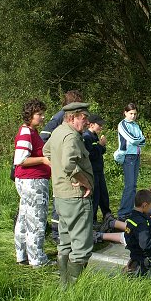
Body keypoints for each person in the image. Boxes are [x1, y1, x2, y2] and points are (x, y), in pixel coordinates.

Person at [43, 102, 94, 285]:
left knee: (64, 243)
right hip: (75, 197)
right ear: (72, 117)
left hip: (61, 196)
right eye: (84, 117)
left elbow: (46, 151)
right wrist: (84, 181)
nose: (87, 121)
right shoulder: (71, 136)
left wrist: (59, 172)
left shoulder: (58, 131)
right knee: (81, 247)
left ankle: (64, 286)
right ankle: (74, 290)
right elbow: (68, 165)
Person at [40, 90, 83, 244]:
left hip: (65, 163)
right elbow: (44, 137)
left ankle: (63, 231)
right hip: (62, 166)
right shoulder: (60, 117)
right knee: (61, 196)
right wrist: (56, 158)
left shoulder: (65, 117)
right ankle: (57, 233)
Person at [13, 99, 52, 267]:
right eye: (39, 114)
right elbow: (20, 159)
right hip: (32, 182)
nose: (42, 117)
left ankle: (22, 255)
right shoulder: (26, 133)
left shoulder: (31, 131)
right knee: (36, 220)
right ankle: (37, 259)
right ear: (29, 115)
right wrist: (44, 159)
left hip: (30, 180)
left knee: (23, 218)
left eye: (42, 114)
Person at [82, 114, 115, 228]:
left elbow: (100, 151)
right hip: (92, 171)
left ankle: (107, 215)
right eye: (99, 125)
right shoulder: (87, 137)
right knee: (95, 197)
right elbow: (90, 155)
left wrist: (102, 146)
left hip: (99, 170)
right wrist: (100, 145)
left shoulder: (95, 136)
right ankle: (93, 220)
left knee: (103, 194)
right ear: (91, 124)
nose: (101, 127)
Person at [117, 103, 146, 220]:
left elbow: (143, 141)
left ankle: (130, 210)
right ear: (125, 113)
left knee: (133, 185)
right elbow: (133, 139)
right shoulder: (122, 124)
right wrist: (139, 140)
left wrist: (139, 140)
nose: (133, 116)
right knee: (129, 185)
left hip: (136, 155)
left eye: (135, 114)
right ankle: (123, 213)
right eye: (131, 113)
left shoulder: (135, 125)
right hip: (128, 156)